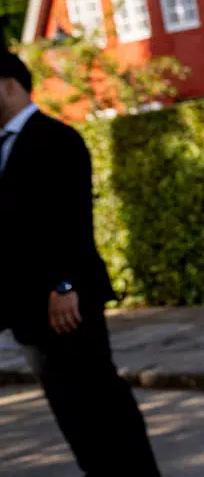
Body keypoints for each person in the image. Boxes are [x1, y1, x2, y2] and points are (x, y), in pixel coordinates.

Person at [0, 50, 162, 476]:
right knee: (71, 411)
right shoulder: (2, 149)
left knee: (100, 399)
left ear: (8, 85)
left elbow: (72, 219)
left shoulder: (56, 139)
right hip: (29, 311)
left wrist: (65, 285)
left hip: (67, 303)